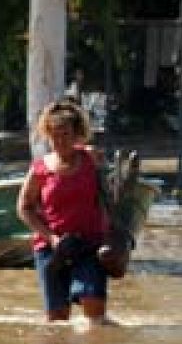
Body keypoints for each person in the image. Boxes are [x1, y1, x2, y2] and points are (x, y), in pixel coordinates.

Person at [16, 98, 112, 324]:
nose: (60, 141)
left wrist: (115, 235)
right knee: (57, 319)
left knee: (94, 308)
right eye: (54, 136)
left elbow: (111, 197)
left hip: (90, 244)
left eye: (66, 134)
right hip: (52, 248)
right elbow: (24, 207)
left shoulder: (91, 159)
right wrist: (51, 238)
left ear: (77, 133)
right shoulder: (40, 169)